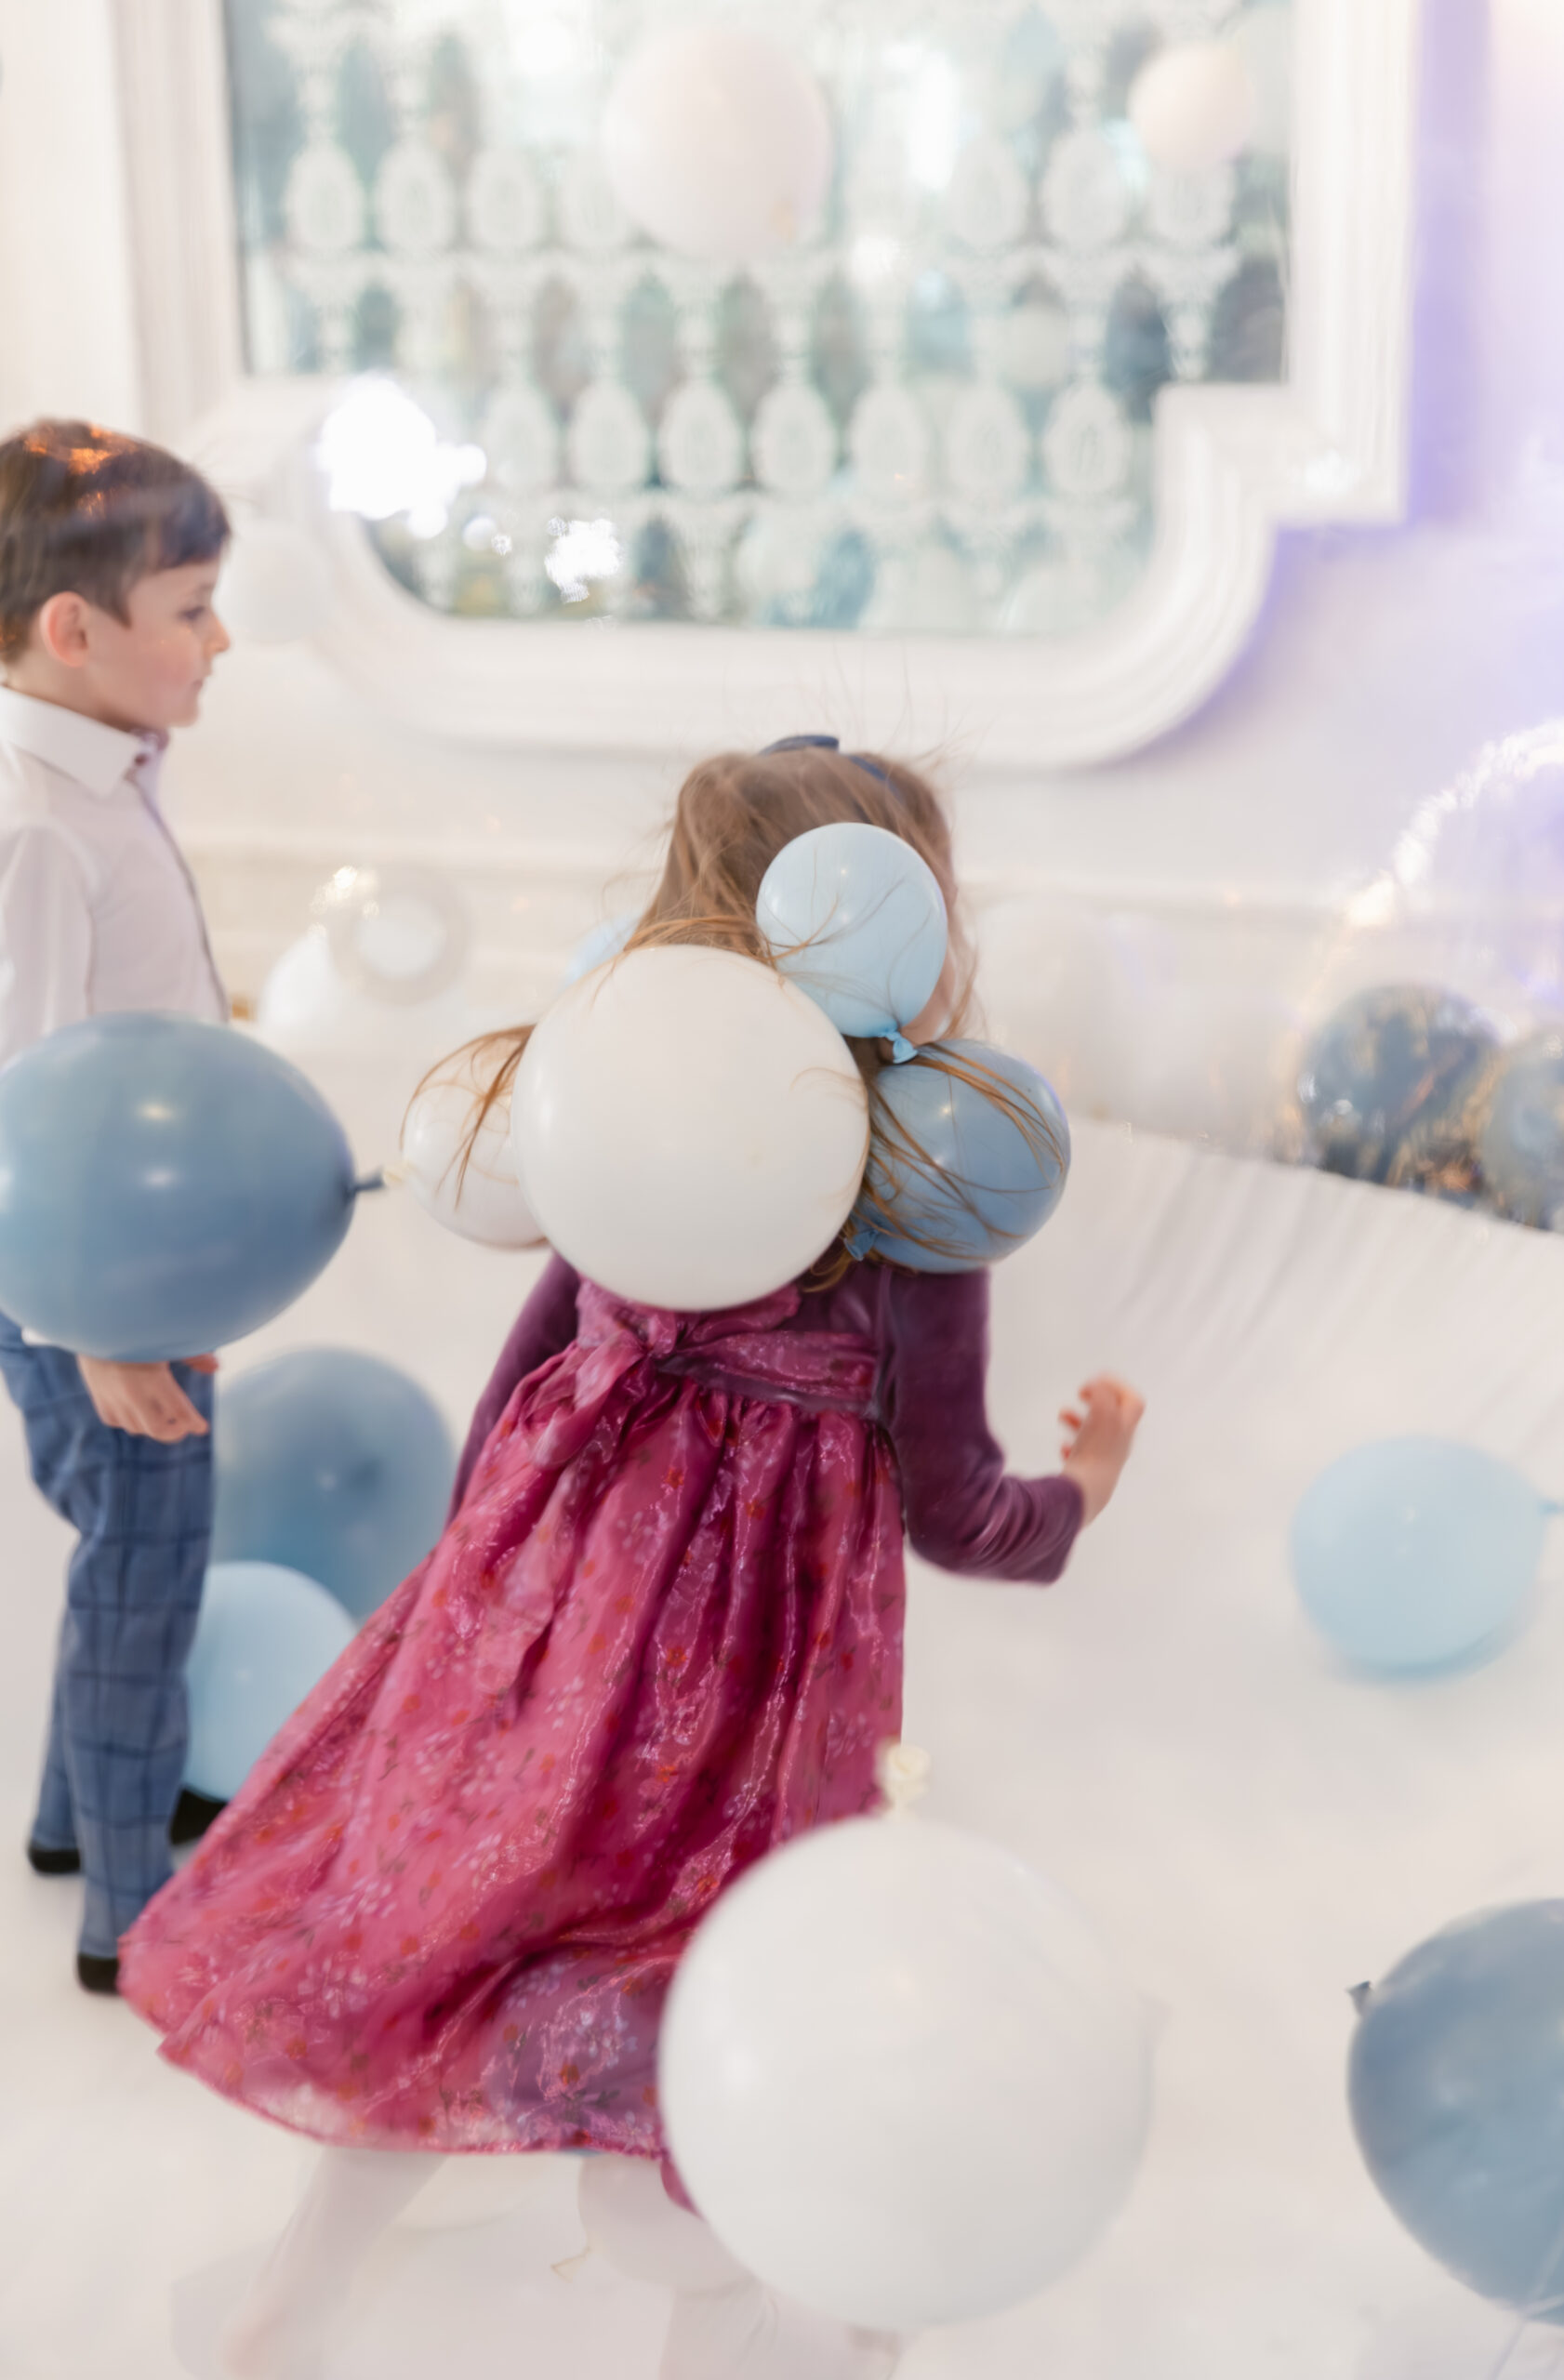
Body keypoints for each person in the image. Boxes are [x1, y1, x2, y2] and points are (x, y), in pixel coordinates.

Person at [119, 740, 1145, 2380]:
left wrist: (478, 1583)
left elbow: (530, 1363)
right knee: (712, 1997)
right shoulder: (911, 1176)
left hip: (552, 1614)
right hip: (752, 1681)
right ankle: (702, 2342)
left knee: (474, 1929)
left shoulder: (625, 1094)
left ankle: (290, 2309)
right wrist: (1079, 1493)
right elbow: (955, 1503)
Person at [0, 419, 232, 1994]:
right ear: (76, 633)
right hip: (92, 1281)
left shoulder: (103, 768)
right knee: (147, 1567)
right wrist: (90, 1327)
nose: (224, 640)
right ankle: (136, 1921)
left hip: (137, 1260)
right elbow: (27, 1104)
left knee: (127, 1559)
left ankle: (76, 1825)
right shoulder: (30, 820)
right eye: (195, 607)